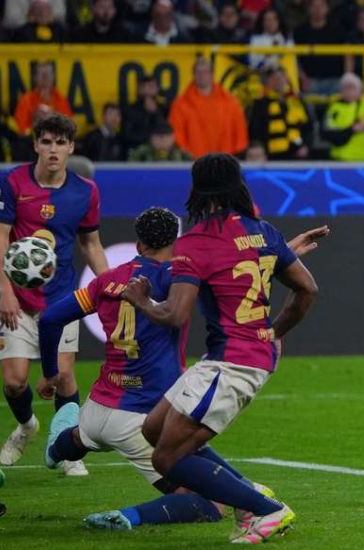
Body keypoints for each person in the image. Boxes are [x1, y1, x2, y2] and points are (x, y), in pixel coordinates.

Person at [37, 207, 328, 530]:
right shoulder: (177, 277)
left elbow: (49, 320)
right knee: (210, 501)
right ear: (177, 243)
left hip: (97, 407)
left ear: (138, 244)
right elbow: (236, 275)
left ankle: (55, 451)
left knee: (78, 438)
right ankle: (128, 517)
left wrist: (51, 374)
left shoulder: (106, 281)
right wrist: (281, 255)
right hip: (142, 418)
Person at [120, 153, 318, 543]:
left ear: (197, 189)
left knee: (166, 457)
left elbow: (175, 315)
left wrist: (141, 300)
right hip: (234, 356)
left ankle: (267, 510)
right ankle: (246, 498)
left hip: (233, 362)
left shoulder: (195, 242)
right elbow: (307, 289)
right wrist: (273, 333)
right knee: (152, 429)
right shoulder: (262, 230)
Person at [0, 114, 109, 477]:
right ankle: (27, 425)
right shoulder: (11, 182)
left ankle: (69, 451)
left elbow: (91, 243)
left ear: (71, 147)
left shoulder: (85, 191)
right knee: (14, 382)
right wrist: (6, 291)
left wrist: (111, 285)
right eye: (47, 142)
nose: (53, 150)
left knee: (63, 375)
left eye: (61, 142)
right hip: (18, 300)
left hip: (61, 299)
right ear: (36, 145)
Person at [168, 57, 249, 158]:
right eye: (198, 72)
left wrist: (237, 155)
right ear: (193, 75)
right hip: (193, 161)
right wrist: (185, 156)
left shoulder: (230, 102)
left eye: (205, 72)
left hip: (224, 160)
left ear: (212, 74)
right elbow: (177, 134)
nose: (202, 76)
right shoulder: (180, 104)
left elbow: (240, 132)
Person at [247, 67, 311, 161]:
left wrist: (305, 145)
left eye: (282, 77)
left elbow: (308, 127)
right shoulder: (260, 104)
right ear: (267, 82)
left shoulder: (297, 102)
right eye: (275, 78)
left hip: (296, 155)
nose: (279, 81)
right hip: (270, 157)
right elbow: (255, 130)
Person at [322, 73, 364, 162]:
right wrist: (351, 130)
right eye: (346, 88)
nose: (349, 91)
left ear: (360, 90)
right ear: (341, 91)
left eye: (352, 87)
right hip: (341, 158)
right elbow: (328, 130)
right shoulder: (333, 109)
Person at [293, 0, 346, 95]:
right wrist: (302, 77)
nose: (318, 10)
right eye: (314, 6)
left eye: (321, 6)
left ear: (327, 8)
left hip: (335, 80)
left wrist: (345, 78)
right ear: (308, 9)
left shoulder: (338, 30)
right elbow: (295, 58)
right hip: (310, 81)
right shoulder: (299, 32)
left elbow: (347, 55)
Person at [13, 62, 74, 134]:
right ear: (35, 78)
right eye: (41, 74)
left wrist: (54, 117)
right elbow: (21, 129)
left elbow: (69, 129)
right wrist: (34, 119)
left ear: (53, 77)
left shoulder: (61, 100)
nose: (45, 78)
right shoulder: (26, 101)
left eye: (48, 74)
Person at [121, 74, 169, 155]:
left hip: (161, 154)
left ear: (157, 89)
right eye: (143, 87)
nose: (147, 91)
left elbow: (166, 131)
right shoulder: (129, 110)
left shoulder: (165, 109)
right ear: (138, 90)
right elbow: (127, 135)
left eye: (151, 87)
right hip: (137, 153)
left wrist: (155, 113)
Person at [68, 0, 133, 42]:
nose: (106, 12)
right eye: (102, 7)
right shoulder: (80, 34)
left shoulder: (125, 35)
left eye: (109, 7)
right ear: (93, 8)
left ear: (115, 10)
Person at [128, 122, 192, 162]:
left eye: (166, 136)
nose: (162, 140)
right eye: (158, 136)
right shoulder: (140, 154)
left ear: (173, 138)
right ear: (151, 138)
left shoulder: (184, 156)